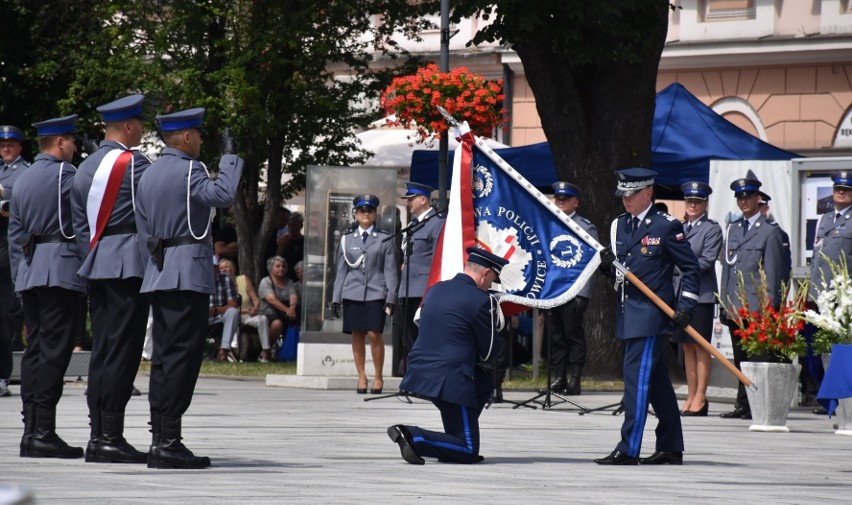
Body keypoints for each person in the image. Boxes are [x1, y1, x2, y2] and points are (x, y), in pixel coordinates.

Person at [135, 107, 243, 469]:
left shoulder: (149, 173)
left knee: (164, 360)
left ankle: (158, 438)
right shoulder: (190, 170)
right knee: (182, 360)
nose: (199, 140)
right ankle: (169, 442)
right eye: (197, 134)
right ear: (185, 137)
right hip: (187, 274)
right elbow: (224, 194)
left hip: (160, 271)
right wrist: (229, 157)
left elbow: (143, 230)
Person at [595, 168, 700, 466]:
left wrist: (686, 307)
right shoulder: (620, 226)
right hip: (629, 312)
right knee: (656, 385)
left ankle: (629, 448)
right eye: (623, 196)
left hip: (652, 316)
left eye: (631, 195)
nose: (625, 201)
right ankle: (670, 446)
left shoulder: (666, 226)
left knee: (635, 382)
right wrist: (606, 268)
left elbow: (690, 269)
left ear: (647, 193)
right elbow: (622, 274)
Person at [69, 95, 152, 464]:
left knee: (104, 351)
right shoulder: (134, 164)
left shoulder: (84, 167)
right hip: (127, 264)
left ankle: (97, 432)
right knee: (123, 352)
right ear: (130, 127)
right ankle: (111, 437)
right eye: (141, 124)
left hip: (97, 263)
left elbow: (78, 227)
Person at [9, 114, 87, 459]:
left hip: (30, 271)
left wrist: (19, 277)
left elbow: (14, 237)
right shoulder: (67, 176)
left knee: (36, 351)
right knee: (55, 352)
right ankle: (43, 431)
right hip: (61, 271)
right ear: (60, 143)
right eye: (72, 141)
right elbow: (84, 225)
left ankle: (31, 429)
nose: (74, 148)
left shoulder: (21, 179)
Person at [388, 247, 507, 465]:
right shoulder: (481, 300)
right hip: (452, 379)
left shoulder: (436, 289)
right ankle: (412, 435)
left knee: (483, 385)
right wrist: (498, 329)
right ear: (485, 273)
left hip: (421, 371)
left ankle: (452, 443)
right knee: (468, 450)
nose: (491, 285)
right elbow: (489, 352)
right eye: (492, 280)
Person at [719, 171, 788, 421]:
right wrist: (724, 303)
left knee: (756, 358)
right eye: (739, 197)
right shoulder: (733, 229)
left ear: (758, 198)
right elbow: (727, 268)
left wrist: (770, 308)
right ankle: (743, 403)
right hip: (736, 306)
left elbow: (772, 273)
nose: (743, 201)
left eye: (748, 197)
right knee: (739, 358)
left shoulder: (769, 231)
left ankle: (757, 402)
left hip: (757, 307)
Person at [332, 194, 398, 394]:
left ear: (375, 214)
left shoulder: (384, 238)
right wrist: (336, 298)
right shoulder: (347, 240)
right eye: (362, 210)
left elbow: (391, 271)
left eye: (369, 210)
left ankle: (378, 377)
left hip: (376, 292)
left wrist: (391, 297)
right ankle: (361, 376)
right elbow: (341, 270)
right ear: (356, 214)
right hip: (352, 292)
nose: (366, 214)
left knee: (373, 333)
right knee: (357, 334)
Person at [672, 182, 723, 416]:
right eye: (689, 201)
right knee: (686, 346)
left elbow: (707, 260)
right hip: (681, 295)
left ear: (705, 204)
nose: (692, 205)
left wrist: (680, 268)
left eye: (697, 202)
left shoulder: (711, 229)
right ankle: (691, 394)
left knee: (701, 346)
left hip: (701, 295)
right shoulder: (679, 227)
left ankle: (701, 396)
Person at [806, 171, 852, 412]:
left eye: (846, 189)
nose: (841, 192)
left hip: (843, 297)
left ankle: (841, 398)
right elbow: (816, 257)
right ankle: (828, 397)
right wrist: (810, 291)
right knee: (820, 348)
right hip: (820, 294)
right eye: (837, 189)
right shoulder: (824, 219)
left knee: (839, 348)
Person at [547, 181, 598, 395]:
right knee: (556, 336)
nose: (560, 202)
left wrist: (583, 294)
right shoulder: (548, 224)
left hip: (573, 290)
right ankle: (559, 377)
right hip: (552, 291)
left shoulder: (586, 227)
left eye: (565, 199)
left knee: (573, 335)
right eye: (558, 198)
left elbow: (592, 262)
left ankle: (575, 379)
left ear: (575, 202)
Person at [397, 182, 444, 374]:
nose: (409, 203)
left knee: (423, 336)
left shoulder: (437, 222)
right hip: (407, 288)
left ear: (423, 200)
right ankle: (414, 376)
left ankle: (426, 376)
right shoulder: (413, 225)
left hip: (424, 289)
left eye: (411, 199)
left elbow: (437, 257)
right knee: (408, 337)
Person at [0, 125, 29, 398]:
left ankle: (3, 375)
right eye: (2, 145)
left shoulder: (25, 172)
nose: (6, 149)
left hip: (10, 250)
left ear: (19, 147)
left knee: (7, 314)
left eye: (10, 144)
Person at [219, 258, 272, 362]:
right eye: (221, 268)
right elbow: (228, 308)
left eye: (226, 267)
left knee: (263, 319)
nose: (224, 269)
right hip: (231, 316)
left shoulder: (243, 279)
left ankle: (266, 351)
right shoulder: (220, 284)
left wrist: (255, 308)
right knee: (233, 318)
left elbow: (255, 299)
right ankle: (231, 352)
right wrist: (246, 311)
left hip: (248, 315)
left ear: (232, 268)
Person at [258, 256, 298, 354]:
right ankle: (265, 351)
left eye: (283, 266)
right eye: (278, 266)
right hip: (268, 313)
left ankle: (286, 352)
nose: (281, 268)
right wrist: (288, 310)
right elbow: (271, 300)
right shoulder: (266, 281)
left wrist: (292, 308)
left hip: (285, 314)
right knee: (277, 324)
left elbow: (294, 296)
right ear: (271, 268)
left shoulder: (289, 282)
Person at [208, 258, 239, 362]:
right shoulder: (195, 278)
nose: (211, 268)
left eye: (214, 266)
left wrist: (215, 310)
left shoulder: (226, 278)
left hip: (219, 316)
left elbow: (233, 304)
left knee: (233, 312)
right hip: (199, 316)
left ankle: (223, 350)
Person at [277, 212, 304, 283]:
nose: (291, 228)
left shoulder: (305, 241)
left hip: (300, 277)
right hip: (286, 276)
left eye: (294, 225)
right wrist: (282, 246)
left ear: (301, 226)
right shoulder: (283, 240)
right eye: (289, 225)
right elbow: (277, 258)